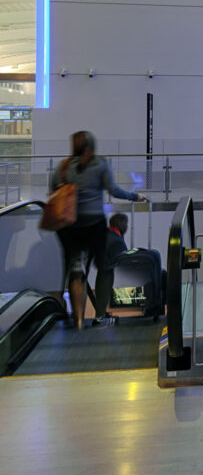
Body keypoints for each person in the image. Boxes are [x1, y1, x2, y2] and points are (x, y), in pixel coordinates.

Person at [52, 131, 147, 329]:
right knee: (105, 268)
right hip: (94, 226)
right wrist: (134, 197)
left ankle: (78, 319)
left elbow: (53, 191)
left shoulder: (63, 167)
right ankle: (100, 315)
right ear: (91, 147)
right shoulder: (99, 165)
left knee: (76, 272)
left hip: (71, 227)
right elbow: (114, 190)